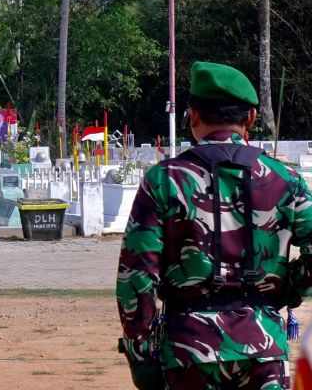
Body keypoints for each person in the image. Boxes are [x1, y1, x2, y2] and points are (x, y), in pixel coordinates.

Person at [117, 62, 312, 390]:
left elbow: (136, 277)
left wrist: (141, 351)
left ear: (192, 115)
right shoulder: (287, 180)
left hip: (188, 348)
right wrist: (287, 289)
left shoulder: (165, 179)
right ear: (250, 119)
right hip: (263, 346)